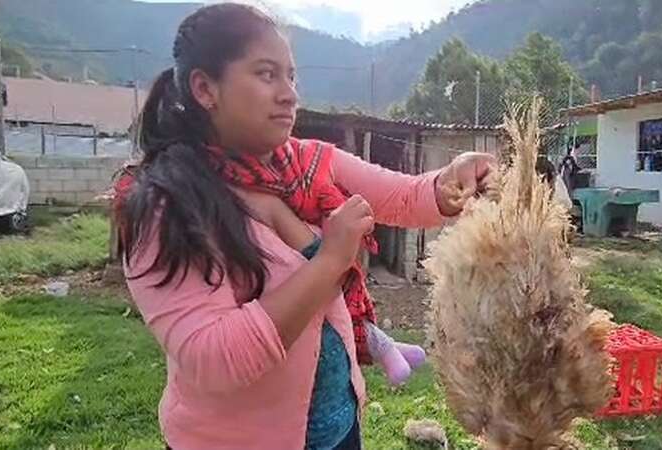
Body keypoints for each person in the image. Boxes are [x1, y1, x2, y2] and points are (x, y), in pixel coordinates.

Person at [112, 4, 496, 449]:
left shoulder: (307, 164)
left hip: (338, 426)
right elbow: (214, 359)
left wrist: (455, 177)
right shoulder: (165, 203)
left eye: (291, 76)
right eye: (266, 74)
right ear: (205, 87)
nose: (289, 94)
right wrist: (330, 260)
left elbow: (405, 196)